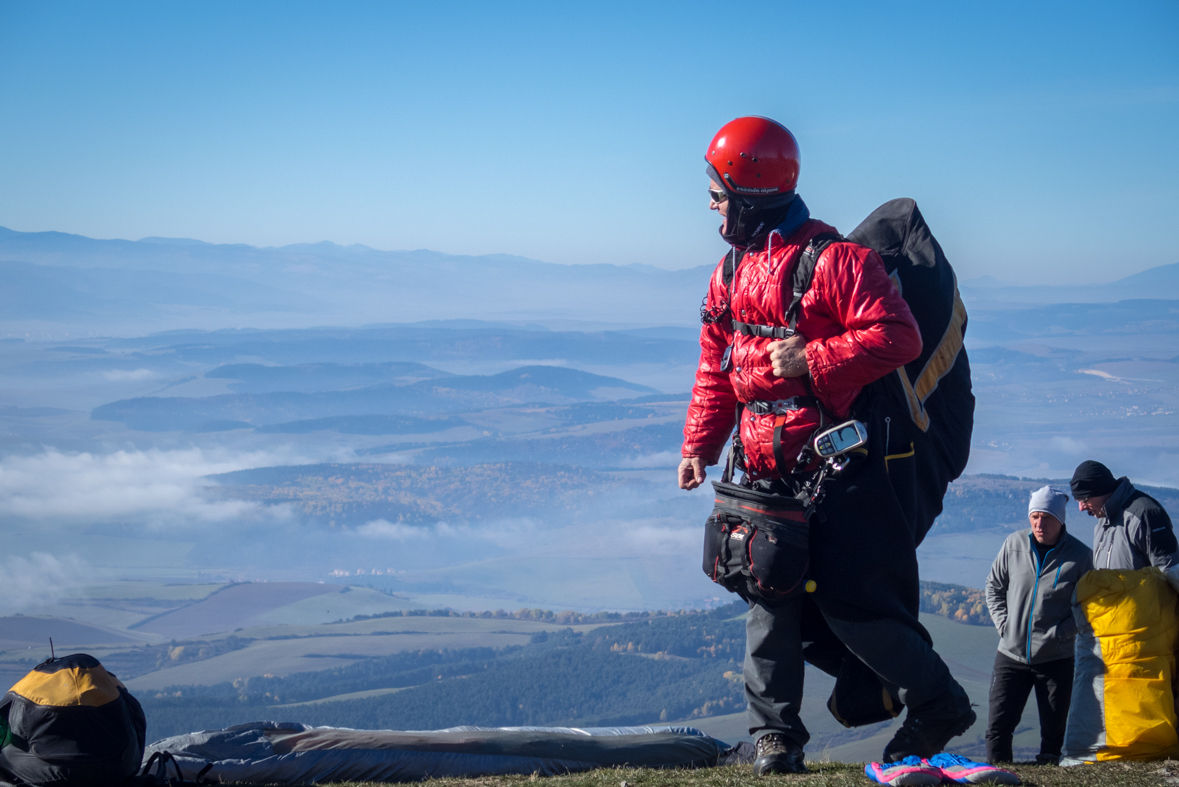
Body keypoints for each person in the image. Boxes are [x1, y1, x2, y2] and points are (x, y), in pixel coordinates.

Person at [679, 116, 975, 775]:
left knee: (850, 606)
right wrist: (698, 444)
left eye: (716, 191)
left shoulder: (837, 261)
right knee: (768, 599)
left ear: (749, 192)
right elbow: (714, 367)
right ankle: (775, 737)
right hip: (760, 470)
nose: (709, 204)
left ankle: (939, 701)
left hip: (837, 470)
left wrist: (809, 359)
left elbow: (894, 338)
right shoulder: (727, 274)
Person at [984, 486, 1093, 764]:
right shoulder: (1014, 544)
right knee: (998, 728)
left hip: (1056, 659)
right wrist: (1004, 625)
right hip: (1010, 656)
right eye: (1034, 516)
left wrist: (1060, 635)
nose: (1039, 523)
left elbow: (1090, 607)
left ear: (1060, 520)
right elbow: (993, 586)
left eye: (1046, 517)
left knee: (1054, 734)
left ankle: (1049, 779)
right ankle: (997, 778)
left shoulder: (1081, 557)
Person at [1070, 460, 1178, 570]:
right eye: (1077, 501)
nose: (1081, 508)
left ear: (1100, 490)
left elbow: (1169, 572)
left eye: (1084, 500)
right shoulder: (1103, 521)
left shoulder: (1145, 514)